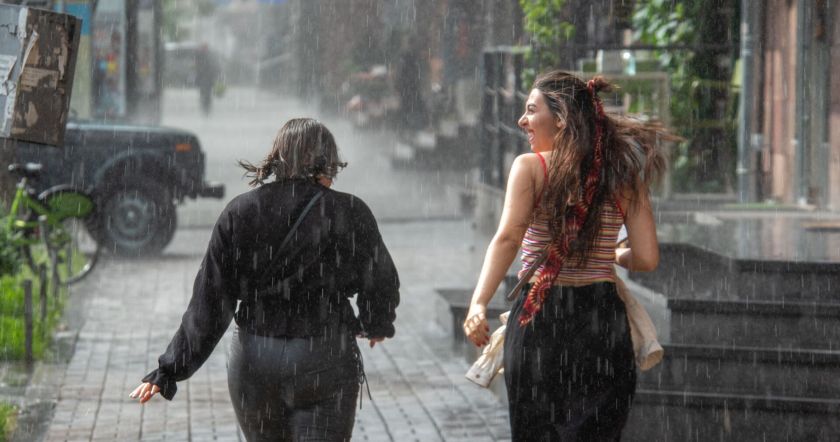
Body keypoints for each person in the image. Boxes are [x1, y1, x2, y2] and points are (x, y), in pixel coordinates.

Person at [129, 118, 400, 441]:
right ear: (327, 161)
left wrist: (170, 369)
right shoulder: (349, 210)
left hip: (255, 361)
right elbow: (380, 280)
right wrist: (375, 322)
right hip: (323, 356)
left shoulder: (241, 211)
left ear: (279, 157)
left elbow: (210, 300)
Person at [463, 71, 673, 441]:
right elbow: (646, 258)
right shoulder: (624, 176)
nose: (522, 120)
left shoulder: (530, 168)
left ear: (561, 118)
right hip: (602, 321)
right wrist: (612, 253)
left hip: (540, 316)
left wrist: (479, 302)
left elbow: (508, 238)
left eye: (531, 110)